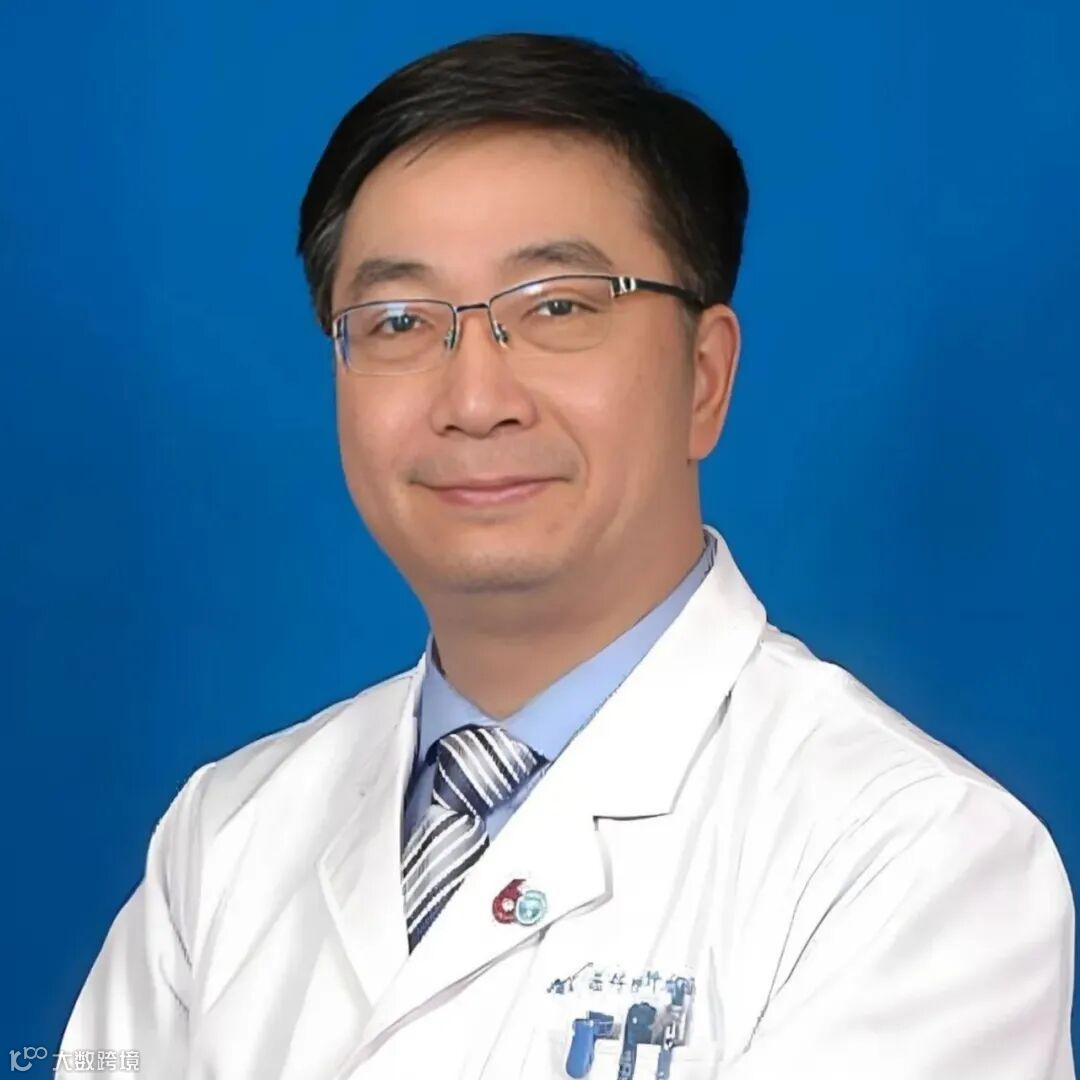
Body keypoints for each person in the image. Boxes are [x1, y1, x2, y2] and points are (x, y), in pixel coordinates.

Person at [58, 31, 1074, 1080]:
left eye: (557, 308)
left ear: (704, 378)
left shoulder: (913, 855)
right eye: (399, 321)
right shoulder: (225, 836)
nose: (474, 400)